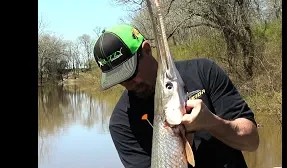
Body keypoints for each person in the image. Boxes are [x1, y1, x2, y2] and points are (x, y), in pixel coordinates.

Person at [93, 24, 259, 168]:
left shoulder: (204, 71)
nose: (130, 84)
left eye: (131, 73)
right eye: (121, 80)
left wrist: (211, 122)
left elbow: (252, 141)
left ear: (147, 50)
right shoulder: (122, 123)